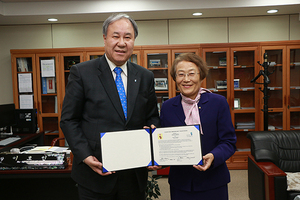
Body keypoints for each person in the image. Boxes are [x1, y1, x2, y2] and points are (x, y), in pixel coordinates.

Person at [60, 13, 160, 200]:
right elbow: (69, 119)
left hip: (134, 174)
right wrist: (85, 156)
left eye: (127, 37)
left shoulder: (145, 76)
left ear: (134, 41)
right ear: (105, 38)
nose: (121, 43)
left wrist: (153, 145)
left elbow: (152, 116)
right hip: (96, 172)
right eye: (116, 36)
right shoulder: (82, 73)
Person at [160, 53, 236, 200]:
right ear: (175, 78)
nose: (186, 79)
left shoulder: (218, 103)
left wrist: (214, 156)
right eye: (180, 74)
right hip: (181, 184)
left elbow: (229, 142)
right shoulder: (168, 107)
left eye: (191, 74)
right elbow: (164, 143)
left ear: (201, 76)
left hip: (213, 181)